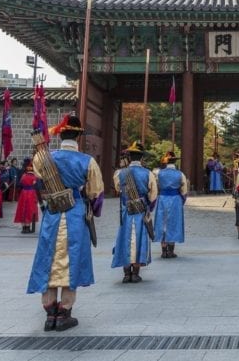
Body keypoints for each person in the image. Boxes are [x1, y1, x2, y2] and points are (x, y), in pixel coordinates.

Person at [27, 113, 104, 332]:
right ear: (78, 137)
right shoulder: (88, 162)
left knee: (48, 257)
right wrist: (92, 209)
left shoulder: (43, 158)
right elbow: (96, 194)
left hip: (53, 212)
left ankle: (50, 312)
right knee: (73, 257)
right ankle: (65, 312)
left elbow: (38, 182)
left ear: (60, 135)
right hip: (75, 213)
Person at [112, 141, 156, 283]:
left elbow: (118, 189)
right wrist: (147, 204)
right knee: (139, 238)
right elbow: (153, 195)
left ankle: (126, 273)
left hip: (126, 211)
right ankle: (136, 273)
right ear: (142, 158)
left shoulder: (119, 173)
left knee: (125, 237)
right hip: (140, 211)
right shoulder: (148, 174)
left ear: (130, 157)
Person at [154, 150, 188, 258]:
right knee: (173, 223)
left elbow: (155, 186)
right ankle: (171, 250)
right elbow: (184, 190)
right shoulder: (180, 174)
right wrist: (181, 200)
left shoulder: (158, 173)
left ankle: (163, 250)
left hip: (163, 198)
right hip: (175, 199)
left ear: (166, 162)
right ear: (175, 163)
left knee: (162, 222)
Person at [15, 158, 41, 234]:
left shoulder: (23, 176)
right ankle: (28, 227)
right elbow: (38, 187)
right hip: (32, 193)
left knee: (23, 209)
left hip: (23, 194)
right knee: (30, 210)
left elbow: (19, 185)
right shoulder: (35, 177)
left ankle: (23, 227)